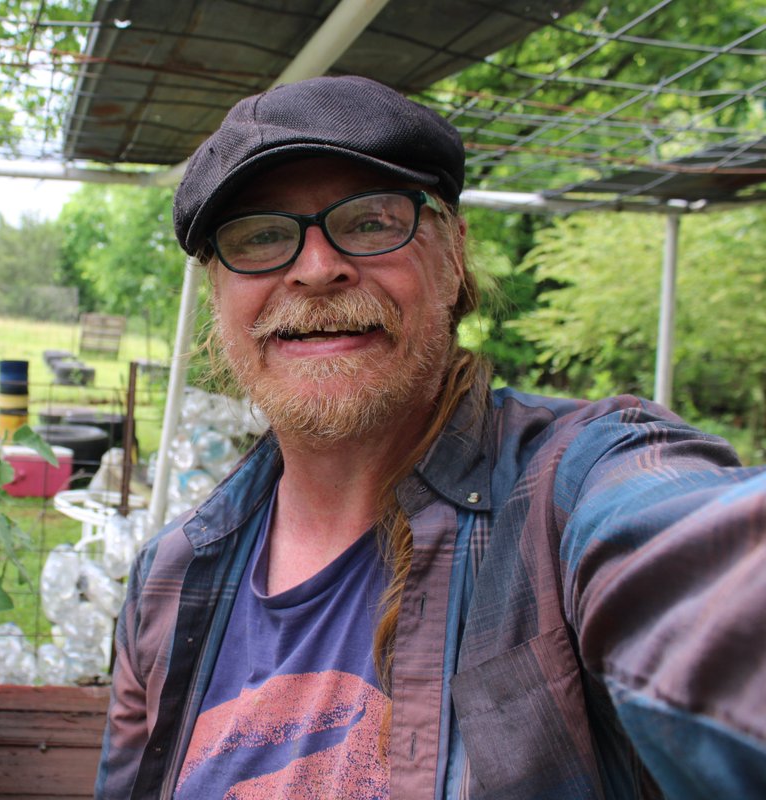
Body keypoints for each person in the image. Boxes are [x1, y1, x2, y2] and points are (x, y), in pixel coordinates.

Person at [93, 74, 766, 799]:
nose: (317, 269)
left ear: (452, 256)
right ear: (218, 297)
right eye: (260, 236)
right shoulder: (169, 577)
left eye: (373, 220)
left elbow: (709, 579)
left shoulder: (572, 491)